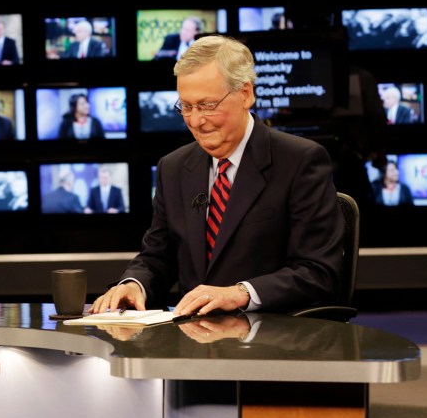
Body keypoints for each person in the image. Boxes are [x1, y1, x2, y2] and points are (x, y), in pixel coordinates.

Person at [91, 35, 343, 317]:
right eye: (186, 107)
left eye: (208, 105)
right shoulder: (173, 168)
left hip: (274, 339)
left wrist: (240, 293)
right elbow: (158, 256)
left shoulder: (300, 161)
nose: (196, 120)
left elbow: (318, 271)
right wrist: (135, 284)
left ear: (245, 93)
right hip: (193, 340)